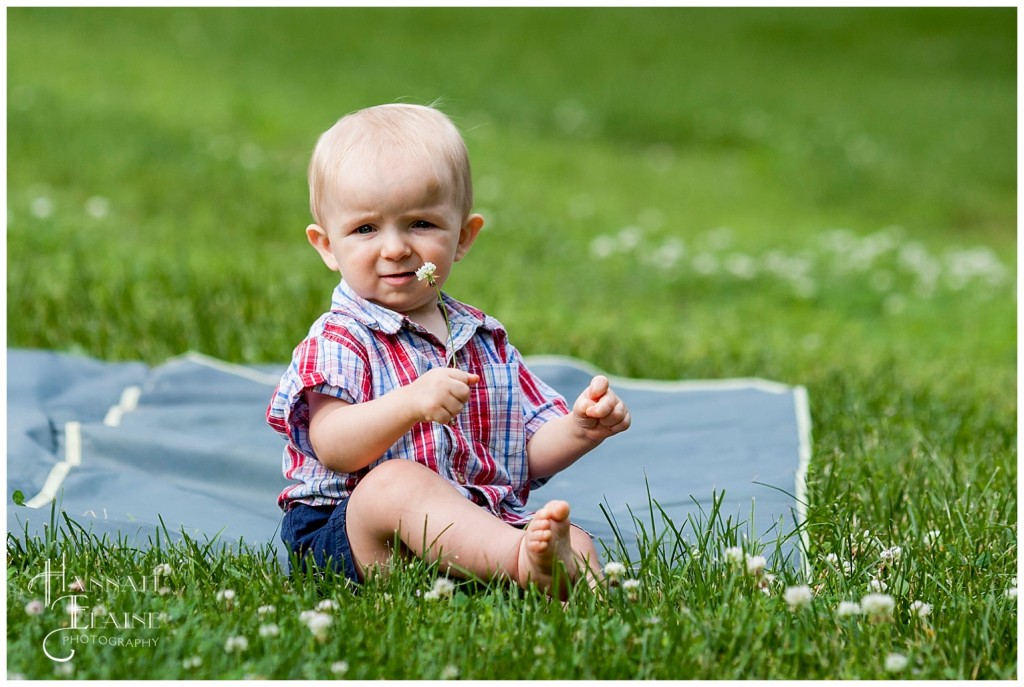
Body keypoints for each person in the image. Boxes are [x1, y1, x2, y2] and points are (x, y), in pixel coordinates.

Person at [267, 103, 631, 598]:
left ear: (462, 237)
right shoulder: (340, 339)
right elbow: (333, 444)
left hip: (469, 526)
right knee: (393, 484)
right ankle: (517, 563)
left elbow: (523, 454)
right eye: (366, 229)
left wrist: (579, 430)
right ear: (327, 245)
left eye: (420, 224)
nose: (395, 249)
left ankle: (545, 575)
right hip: (352, 536)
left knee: (580, 543)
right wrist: (411, 402)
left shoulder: (483, 339)